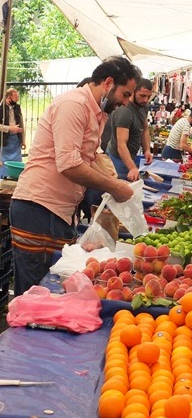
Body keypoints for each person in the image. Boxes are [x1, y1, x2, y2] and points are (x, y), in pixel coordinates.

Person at [10, 56, 140, 296]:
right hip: (38, 209)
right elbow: (69, 165)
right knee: (33, 297)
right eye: (125, 94)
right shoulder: (74, 105)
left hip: (56, 213)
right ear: (109, 83)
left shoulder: (95, 112)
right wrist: (114, 187)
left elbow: (88, 158)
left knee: (50, 291)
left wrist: (117, 183)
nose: (125, 102)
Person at [104, 78, 154, 181]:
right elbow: (121, 144)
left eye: (149, 96)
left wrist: (147, 150)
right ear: (134, 91)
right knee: (119, 190)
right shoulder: (125, 112)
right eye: (142, 96)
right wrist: (132, 167)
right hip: (118, 159)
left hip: (131, 156)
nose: (146, 100)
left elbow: (144, 129)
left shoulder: (144, 106)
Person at [0, 88, 25, 178]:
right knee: (3, 165)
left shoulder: (17, 107)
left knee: (17, 163)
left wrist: (23, 140)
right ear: (8, 98)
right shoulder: (1, 108)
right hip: (4, 140)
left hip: (16, 140)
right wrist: (10, 128)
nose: (17, 99)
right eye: (15, 97)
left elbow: (21, 123)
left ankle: (16, 178)